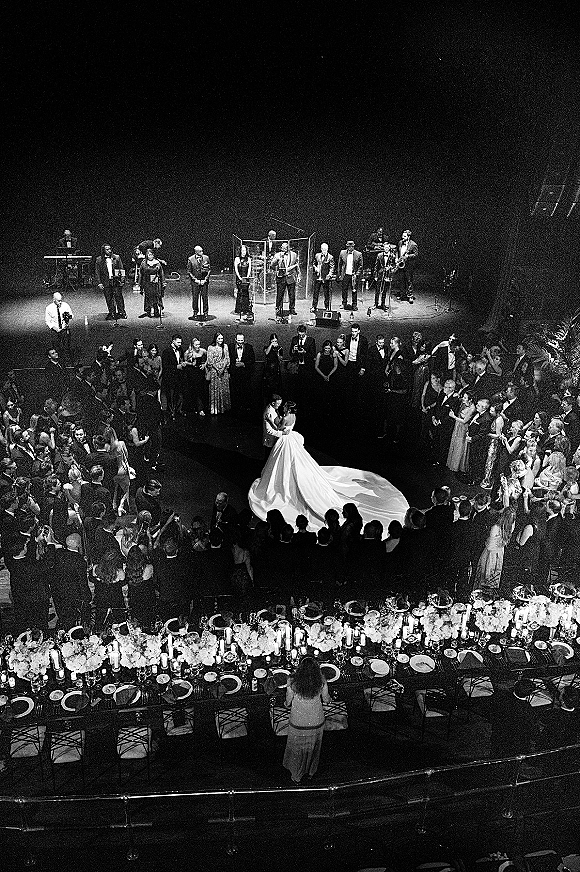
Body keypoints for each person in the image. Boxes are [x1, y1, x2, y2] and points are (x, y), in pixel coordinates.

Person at [249, 402, 408, 532]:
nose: (283, 408)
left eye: (285, 407)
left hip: (286, 440)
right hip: (290, 440)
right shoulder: (293, 416)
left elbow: (280, 428)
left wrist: (270, 420)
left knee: (287, 464)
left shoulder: (287, 417)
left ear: (289, 409)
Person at [282, 656, 331, 783]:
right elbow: (326, 699)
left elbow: (288, 700)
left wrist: (286, 704)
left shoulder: (292, 681)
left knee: (297, 749)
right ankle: (311, 771)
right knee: (314, 747)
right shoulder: (321, 680)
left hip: (298, 721)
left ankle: (296, 775)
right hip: (316, 720)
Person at [472, 502, 516, 591]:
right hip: (499, 553)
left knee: (484, 577)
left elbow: (489, 546)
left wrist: (486, 541)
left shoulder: (496, 527)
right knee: (494, 577)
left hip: (489, 555)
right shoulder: (510, 527)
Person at [94, 244, 126, 320]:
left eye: (110, 249)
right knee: (109, 297)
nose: (109, 250)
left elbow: (121, 269)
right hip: (106, 281)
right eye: (107, 249)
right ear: (103, 250)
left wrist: (122, 280)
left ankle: (122, 312)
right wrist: (99, 283)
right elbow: (97, 272)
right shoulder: (99, 259)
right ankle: (111, 312)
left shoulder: (116, 257)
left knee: (119, 297)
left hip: (116, 281)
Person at [447, 392, 475, 473]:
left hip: (463, 428)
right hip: (458, 425)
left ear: (470, 400)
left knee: (460, 444)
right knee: (455, 442)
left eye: (465, 398)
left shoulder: (472, 408)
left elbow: (464, 421)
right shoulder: (464, 403)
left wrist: (453, 416)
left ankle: (457, 465)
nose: (463, 398)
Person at [270, 242, 300, 318]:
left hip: (290, 276)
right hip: (281, 277)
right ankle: (278, 308)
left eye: (286, 248)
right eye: (283, 248)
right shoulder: (277, 255)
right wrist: (277, 260)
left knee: (292, 294)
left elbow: (297, 266)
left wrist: (299, 275)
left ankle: (292, 309)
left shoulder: (294, 254)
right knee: (280, 294)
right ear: (281, 248)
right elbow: (272, 265)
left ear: (288, 248)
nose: (284, 249)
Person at [228, 333, 255, 416]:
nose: (240, 342)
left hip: (245, 374)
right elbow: (227, 359)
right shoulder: (230, 347)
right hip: (234, 374)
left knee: (245, 392)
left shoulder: (249, 347)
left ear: (244, 340)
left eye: (242, 340)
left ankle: (245, 410)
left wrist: (243, 364)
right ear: (235, 340)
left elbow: (252, 360)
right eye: (238, 340)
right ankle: (236, 410)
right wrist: (230, 371)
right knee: (235, 392)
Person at [161, 334, 186, 420]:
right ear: (173, 341)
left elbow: (180, 360)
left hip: (179, 377)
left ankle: (178, 410)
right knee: (171, 396)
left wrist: (183, 364)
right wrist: (176, 367)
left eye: (181, 342)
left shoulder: (180, 350)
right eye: (178, 342)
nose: (180, 344)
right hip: (170, 378)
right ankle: (171, 413)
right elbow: (165, 366)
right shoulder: (166, 351)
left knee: (179, 395)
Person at [206, 332, 231, 415]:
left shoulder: (225, 346)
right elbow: (210, 361)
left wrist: (223, 368)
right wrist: (217, 369)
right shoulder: (210, 347)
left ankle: (224, 408)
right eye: (219, 338)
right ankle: (215, 408)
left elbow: (227, 359)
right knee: (216, 389)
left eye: (222, 338)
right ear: (215, 339)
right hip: (214, 372)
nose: (221, 340)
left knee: (224, 389)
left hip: (224, 372)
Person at [45, 292, 73, 359]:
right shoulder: (49, 308)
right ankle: (58, 359)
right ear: (54, 299)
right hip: (55, 330)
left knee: (66, 346)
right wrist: (55, 328)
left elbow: (71, 315)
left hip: (64, 329)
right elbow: (47, 321)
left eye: (61, 300)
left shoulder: (65, 306)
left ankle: (67, 359)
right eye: (58, 301)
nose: (60, 302)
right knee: (56, 346)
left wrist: (68, 317)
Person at [183, 337, 207, 416]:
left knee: (200, 391)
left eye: (199, 344)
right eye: (196, 345)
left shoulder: (202, 351)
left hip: (200, 372)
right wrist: (191, 364)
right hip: (191, 373)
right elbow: (184, 362)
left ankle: (200, 409)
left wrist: (204, 364)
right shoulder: (188, 352)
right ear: (192, 345)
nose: (198, 346)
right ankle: (194, 408)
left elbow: (209, 357)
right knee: (192, 391)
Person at [139, 247, 165, 318]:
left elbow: (161, 273)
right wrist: (139, 283)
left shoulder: (157, 263)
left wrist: (163, 282)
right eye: (149, 255)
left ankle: (156, 310)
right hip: (147, 282)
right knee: (148, 296)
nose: (150, 256)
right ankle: (148, 311)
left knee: (156, 296)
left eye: (151, 254)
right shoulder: (144, 263)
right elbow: (141, 273)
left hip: (155, 283)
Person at [337, 240, 363, 311]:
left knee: (354, 290)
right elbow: (339, 264)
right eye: (349, 246)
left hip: (353, 275)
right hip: (345, 274)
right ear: (347, 247)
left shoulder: (358, 254)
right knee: (344, 289)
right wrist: (339, 274)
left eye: (352, 246)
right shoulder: (342, 253)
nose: (350, 248)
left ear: (354, 247)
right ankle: (344, 303)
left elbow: (361, 266)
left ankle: (354, 304)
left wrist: (357, 274)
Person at [187, 245, 211, 319]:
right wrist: (195, 280)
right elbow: (189, 271)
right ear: (196, 252)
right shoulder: (190, 259)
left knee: (205, 297)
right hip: (195, 282)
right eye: (200, 251)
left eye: (202, 251)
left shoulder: (206, 258)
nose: (202, 252)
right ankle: (195, 312)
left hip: (204, 281)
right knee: (195, 297)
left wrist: (205, 279)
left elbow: (209, 270)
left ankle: (205, 312)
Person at [395, 229, 418, 303]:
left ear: (408, 237)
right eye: (402, 236)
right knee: (401, 280)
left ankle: (410, 295)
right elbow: (397, 251)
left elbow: (416, 254)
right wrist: (396, 258)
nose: (402, 238)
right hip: (401, 264)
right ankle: (402, 294)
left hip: (409, 265)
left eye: (404, 236)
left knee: (409, 281)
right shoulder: (400, 243)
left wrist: (408, 256)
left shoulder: (413, 244)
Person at [311, 243, 335, 311]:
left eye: (325, 250)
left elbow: (332, 267)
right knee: (315, 293)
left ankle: (327, 307)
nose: (324, 251)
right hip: (318, 277)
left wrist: (329, 275)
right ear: (321, 249)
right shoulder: (317, 255)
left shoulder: (330, 257)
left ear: (327, 249)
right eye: (323, 249)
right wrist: (315, 268)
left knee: (326, 294)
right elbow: (313, 264)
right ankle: (314, 306)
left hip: (325, 278)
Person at [373, 242, 397, 309]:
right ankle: (376, 304)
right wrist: (375, 275)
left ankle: (383, 304)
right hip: (380, 274)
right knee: (377, 290)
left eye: (387, 247)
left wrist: (390, 268)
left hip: (387, 275)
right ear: (383, 248)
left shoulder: (392, 256)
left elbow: (395, 265)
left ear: (389, 248)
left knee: (384, 290)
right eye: (385, 247)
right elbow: (376, 266)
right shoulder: (379, 255)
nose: (386, 249)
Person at [233, 244, 252, 321]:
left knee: (246, 293)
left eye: (244, 250)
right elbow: (236, 270)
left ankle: (246, 309)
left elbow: (249, 269)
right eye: (242, 250)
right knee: (240, 293)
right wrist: (240, 278)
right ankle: (239, 309)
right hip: (239, 278)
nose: (243, 252)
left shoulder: (249, 259)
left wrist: (246, 277)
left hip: (246, 278)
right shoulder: (237, 259)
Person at [262, 334, 284, 400]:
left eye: (276, 341)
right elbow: (266, 353)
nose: (275, 342)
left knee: (277, 387)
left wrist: (277, 351)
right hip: (268, 370)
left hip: (276, 369)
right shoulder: (266, 347)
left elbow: (280, 359)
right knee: (268, 387)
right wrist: (271, 345)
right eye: (273, 341)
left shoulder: (280, 348)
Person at [262, 394, 283, 462]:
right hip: (270, 440)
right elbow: (268, 430)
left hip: (274, 439)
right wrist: (280, 433)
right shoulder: (268, 412)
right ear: (273, 403)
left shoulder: (273, 409)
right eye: (278, 403)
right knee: (268, 460)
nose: (279, 405)